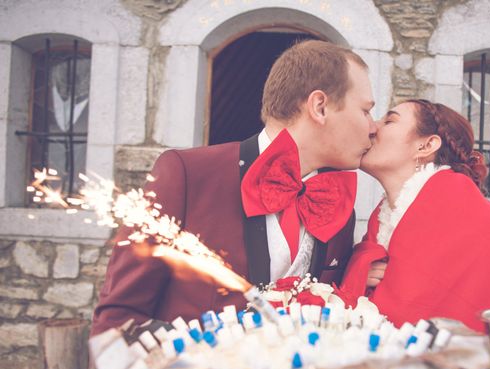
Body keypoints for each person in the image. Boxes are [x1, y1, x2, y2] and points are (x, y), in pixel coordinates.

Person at [91, 40, 378, 336]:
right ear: (320, 107)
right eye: (366, 111)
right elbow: (117, 318)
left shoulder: (337, 207)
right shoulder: (187, 175)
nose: (373, 127)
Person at [340, 99, 490, 333]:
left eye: (389, 120)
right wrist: (360, 271)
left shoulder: (469, 215)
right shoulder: (384, 216)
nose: (372, 127)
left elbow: (425, 314)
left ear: (426, 145)